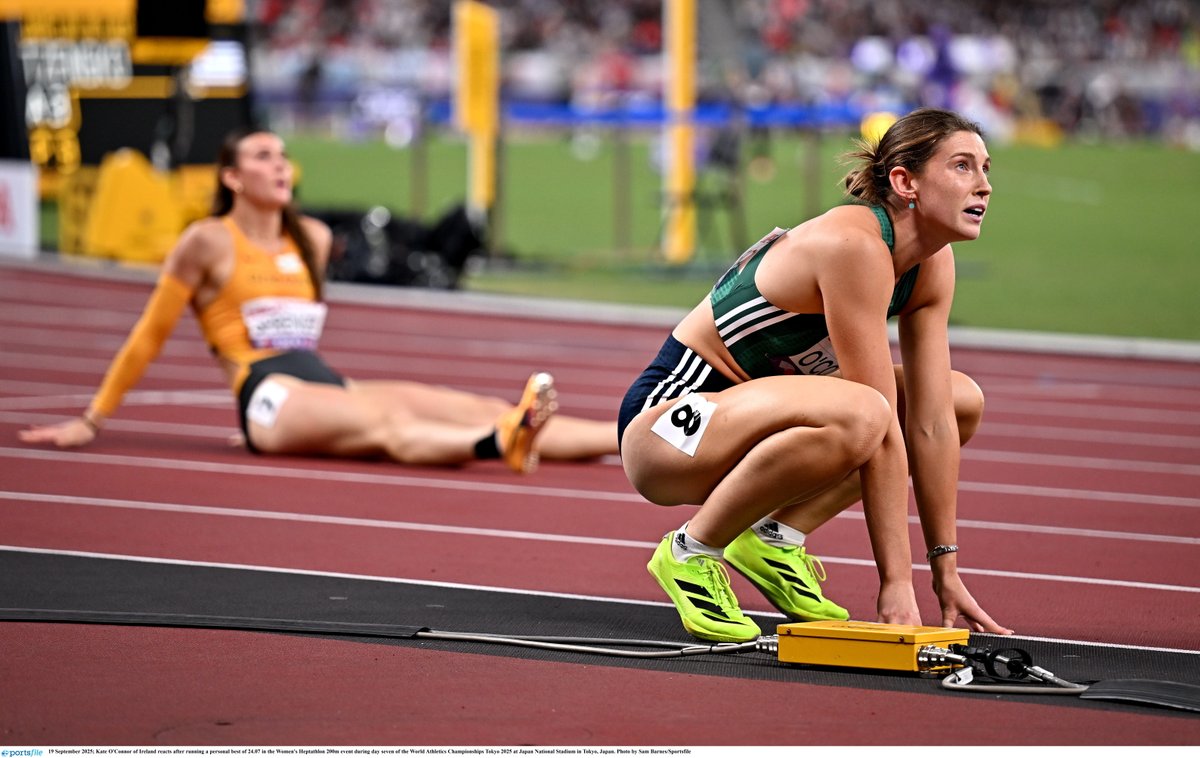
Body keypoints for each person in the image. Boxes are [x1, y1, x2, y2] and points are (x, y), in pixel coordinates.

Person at [618, 108, 1014, 642]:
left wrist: (945, 570)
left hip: (760, 433)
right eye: (963, 167)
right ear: (905, 181)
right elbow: (878, 424)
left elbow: (933, 424)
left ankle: (774, 538)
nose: (984, 186)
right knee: (866, 410)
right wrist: (897, 584)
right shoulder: (853, 245)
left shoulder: (932, 265)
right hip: (669, 430)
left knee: (957, 399)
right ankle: (690, 552)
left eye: (986, 168)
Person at [20, 128, 617, 473]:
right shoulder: (205, 242)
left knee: (466, 401)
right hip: (268, 394)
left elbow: (295, 330)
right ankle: (498, 444)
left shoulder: (313, 238)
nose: (280, 165)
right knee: (392, 424)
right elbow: (149, 333)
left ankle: (635, 436)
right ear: (231, 177)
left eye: (283, 156)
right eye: (262, 157)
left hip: (319, 384)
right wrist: (91, 420)